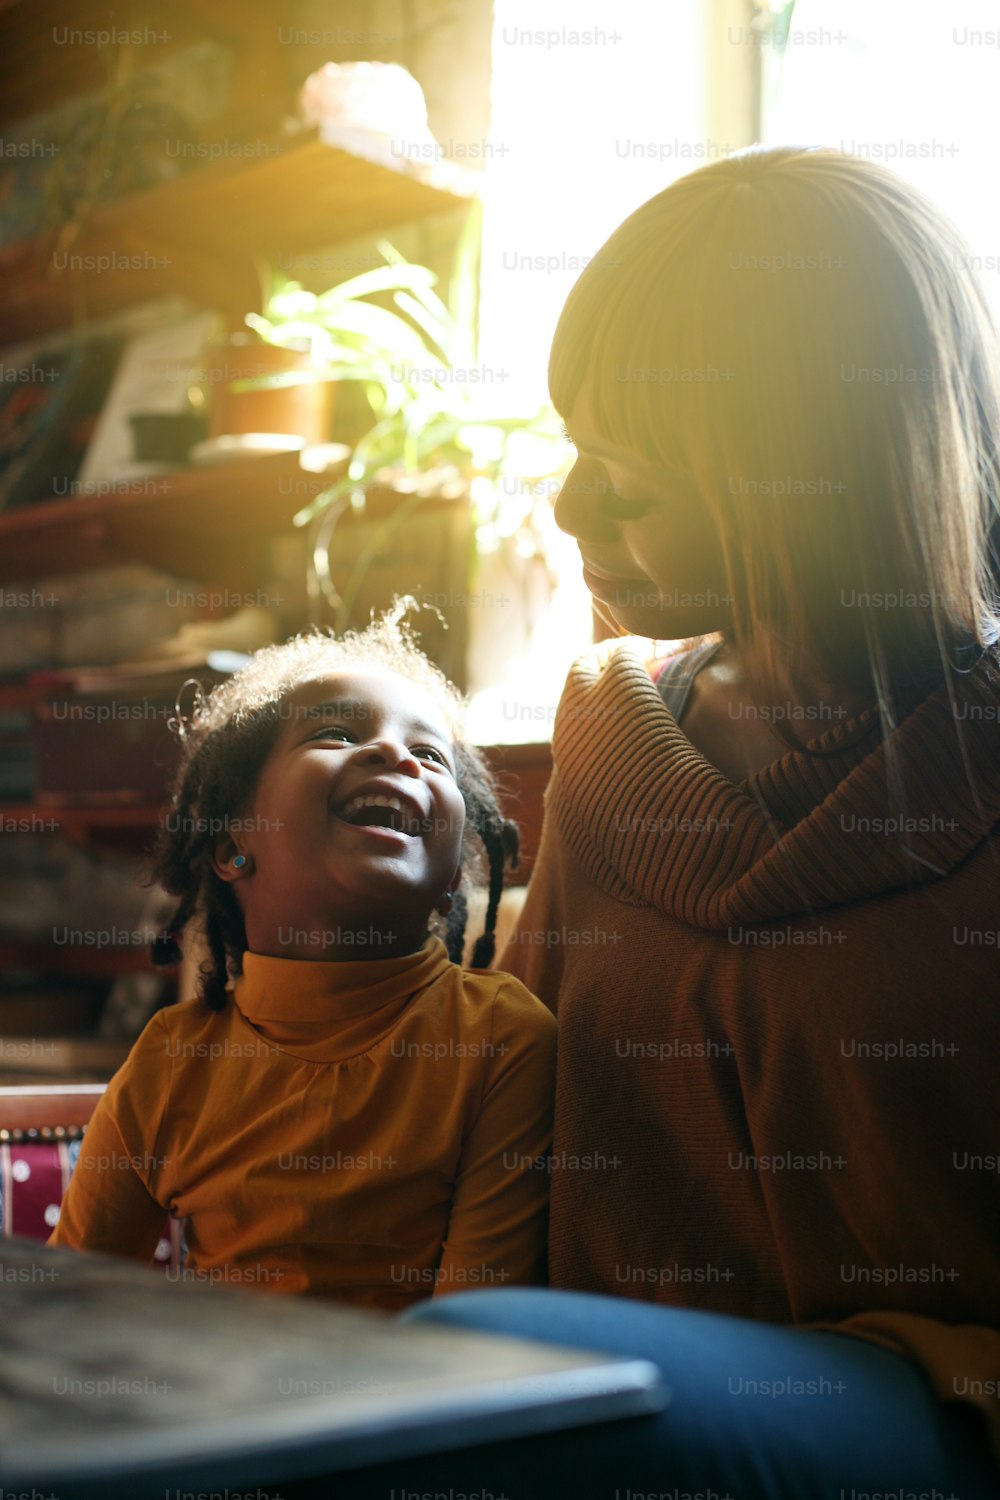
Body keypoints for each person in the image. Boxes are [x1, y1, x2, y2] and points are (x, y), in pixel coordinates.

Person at [348, 146, 1000, 1497]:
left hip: (946, 1397)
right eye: (574, 451)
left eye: (627, 474)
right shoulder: (612, 734)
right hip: (601, 1376)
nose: (570, 505)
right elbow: (511, 1105)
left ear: (808, 478)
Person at [48, 609, 557, 1311]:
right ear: (231, 848)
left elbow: (481, 1336)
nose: (397, 756)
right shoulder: (171, 1062)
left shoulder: (503, 1038)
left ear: (450, 879)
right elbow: (67, 1301)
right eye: (338, 733)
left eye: (432, 755)